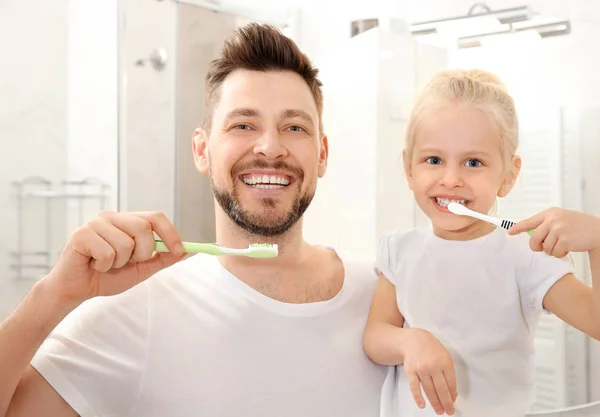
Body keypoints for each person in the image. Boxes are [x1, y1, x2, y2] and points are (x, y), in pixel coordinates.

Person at [0, 23, 387, 417]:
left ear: (321, 154)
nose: (270, 147)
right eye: (243, 125)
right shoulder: (139, 310)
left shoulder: (385, 295)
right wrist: (52, 296)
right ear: (202, 150)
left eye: (294, 127)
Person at [362, 69, 600, 417]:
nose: (451, 178)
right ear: (409, 171)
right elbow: (375, 335)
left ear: (508, 176)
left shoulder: (526, 256)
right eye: (433, 160)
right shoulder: (400, 251)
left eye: (473, 162)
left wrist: (597, 241)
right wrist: (409, 341)